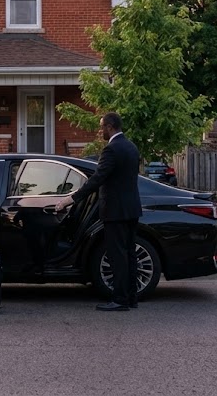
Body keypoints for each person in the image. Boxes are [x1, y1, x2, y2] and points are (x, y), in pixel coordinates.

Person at [55, 112, 141, 311]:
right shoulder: (131, 147)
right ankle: (131, 298)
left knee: (117, 256)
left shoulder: (111, 149)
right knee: (129, 254)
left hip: (115, 211)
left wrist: (71, 198)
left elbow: (97, 179)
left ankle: (119, 300)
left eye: (101, 126)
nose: (99, 130)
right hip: (131, 209)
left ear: (110, 127)